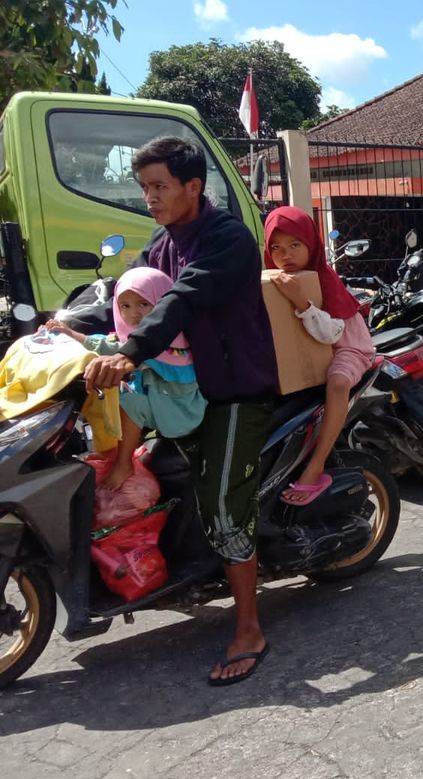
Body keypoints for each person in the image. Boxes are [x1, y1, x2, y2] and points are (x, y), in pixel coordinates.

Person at [83, 136, 279, 686]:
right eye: (143, 187)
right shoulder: (160, 242)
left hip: (235, 390)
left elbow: (180, 300)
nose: (149, 197)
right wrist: (67, 325)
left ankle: (248, 629)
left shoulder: (228, 238)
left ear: (193, 186)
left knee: (222, 504)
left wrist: (129, 353)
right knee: (155, 475)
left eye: (159, 186)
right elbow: (124, 294)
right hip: (181, 390)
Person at [46, 268, 206, 488]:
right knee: (110, 393)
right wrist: (70, 334)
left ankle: (123, 464)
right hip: (161, 404)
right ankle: (112, 452)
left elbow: (122, 352)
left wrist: (133, 362)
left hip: (181, 412)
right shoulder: (132, 339)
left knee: (128, 399)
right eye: (126, 306)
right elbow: (108, 344)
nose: (134, 314)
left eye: (144, 304)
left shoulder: (174, 342)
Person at [263, 207, 376, 504]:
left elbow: (332, 334)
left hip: (347, 347)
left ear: (311, 246)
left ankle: (316, 465)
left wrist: (301, 300)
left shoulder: (323, 279)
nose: (284, 254)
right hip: (310, 355)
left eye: (294, 245)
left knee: (337, 383)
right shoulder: (269, 282)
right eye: (276, 247)